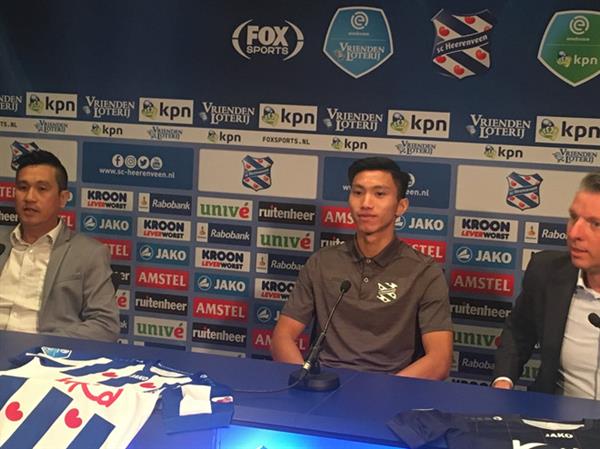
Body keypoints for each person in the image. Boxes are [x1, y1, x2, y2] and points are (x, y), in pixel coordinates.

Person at [271, 157, 453, 379]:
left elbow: (439, 360)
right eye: (358, 192)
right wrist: (305, 379)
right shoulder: (321, 263)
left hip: (392, 388)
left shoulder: (424, 272)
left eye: (379, 194)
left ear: (401, 206)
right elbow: (282, 336)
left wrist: (386, 391)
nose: (366, 203)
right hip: (325, 384)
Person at [493, 172, 600, 398]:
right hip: (555, 414)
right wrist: (503, 381)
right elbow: (518, 333)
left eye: (595, 224)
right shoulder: (546, 271)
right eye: (574, 217)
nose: (575, 233)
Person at [0, 149, 119, 341]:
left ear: (62, 198)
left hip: (46, 354)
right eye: (22, 187)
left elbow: (105, 325)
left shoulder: (89, 253)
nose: (29, 197)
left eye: (42, 189)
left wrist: (44, 344)